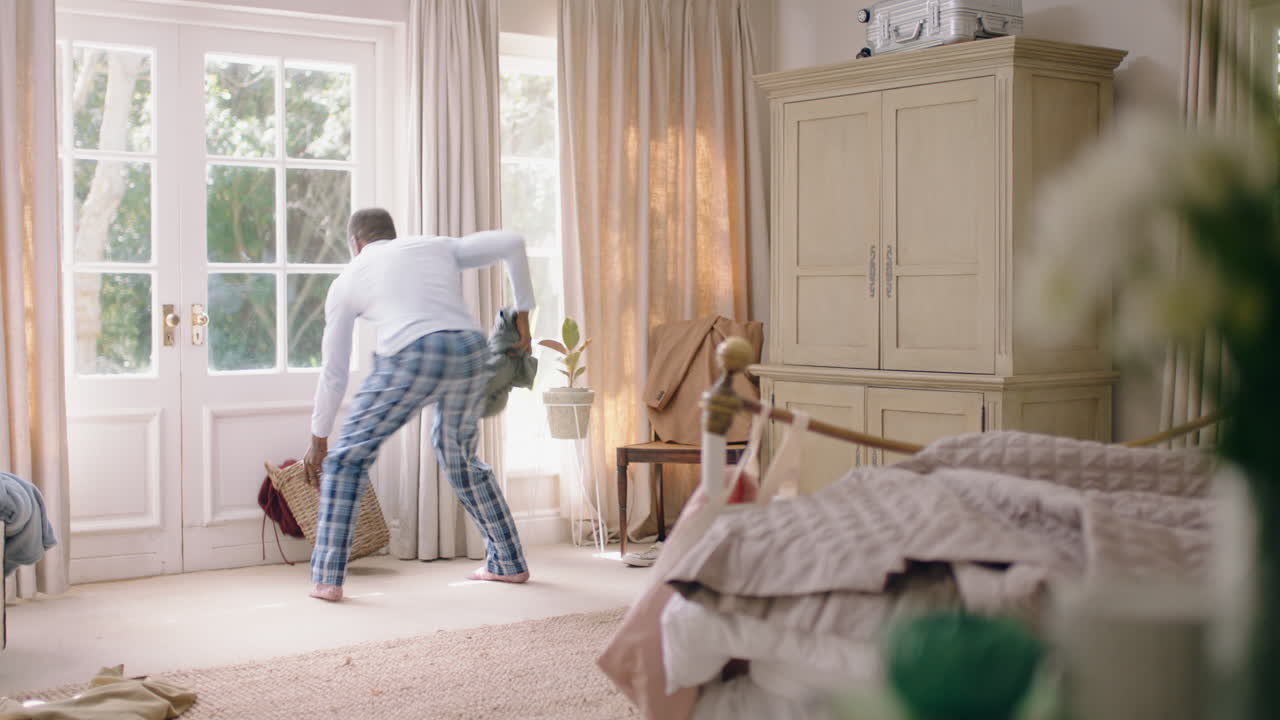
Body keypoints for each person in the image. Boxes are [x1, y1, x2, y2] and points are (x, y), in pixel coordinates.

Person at [303, 208, 534, 602]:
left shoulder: (348, 279)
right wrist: (523, 314)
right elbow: (512, 243)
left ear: (355, 244)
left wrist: (319, 438)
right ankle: (508, 562)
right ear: (392, 235)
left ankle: (327, 578)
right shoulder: (433, 246)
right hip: (467, 348)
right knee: (459, 456)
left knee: (347, 460)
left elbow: (335, 371)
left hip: (413, 353)